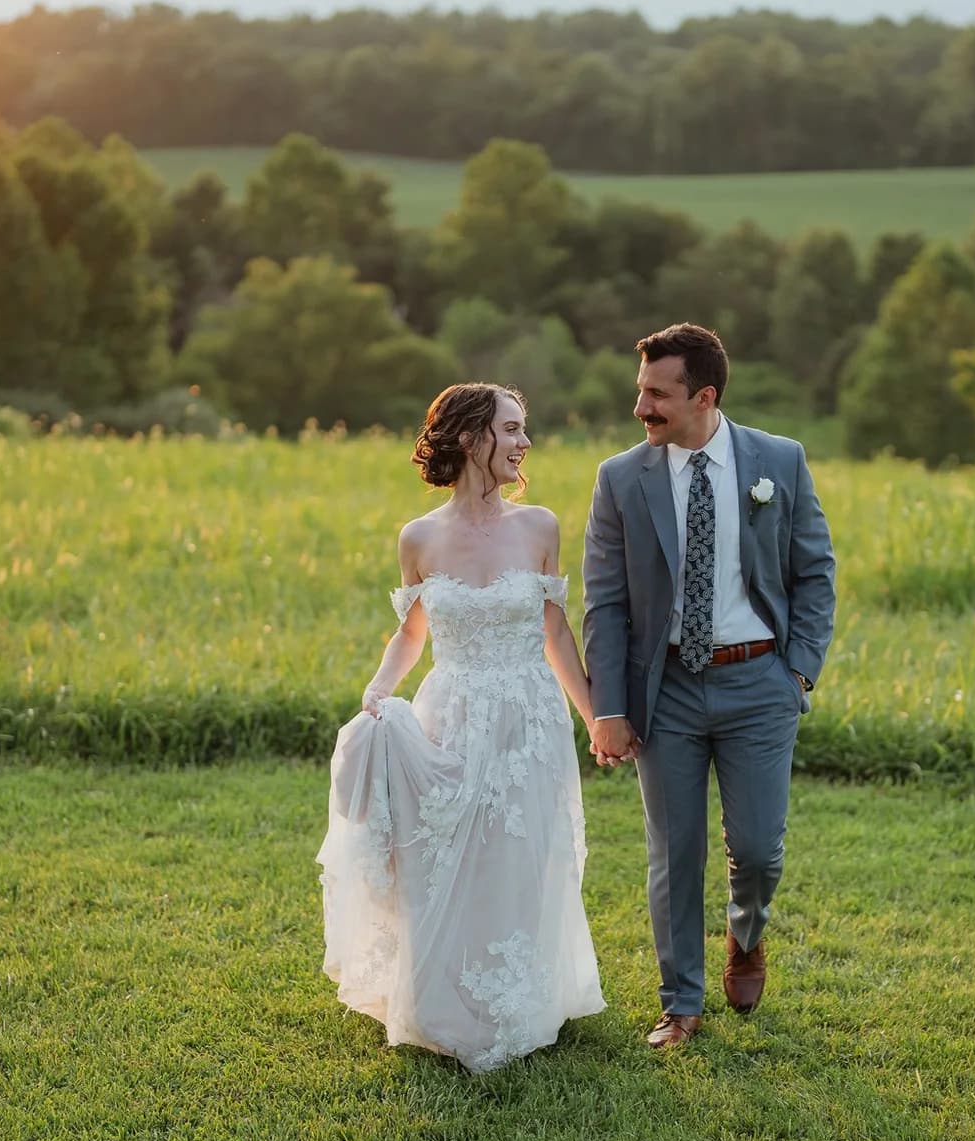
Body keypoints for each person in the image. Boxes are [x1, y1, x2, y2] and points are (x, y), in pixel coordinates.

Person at [317, 382, 606, 1073]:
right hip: (451, 709)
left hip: (527, 717)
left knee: (519, 855)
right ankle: (446, 1001)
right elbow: (412, 632)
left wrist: (596, 718)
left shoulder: (539, 526)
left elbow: (554, 630)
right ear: (473, 438)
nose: (523, 443)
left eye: (523, 429)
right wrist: (380, 688)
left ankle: (518, 1000)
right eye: (510, 429)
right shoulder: (417, 537)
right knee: (445, 858)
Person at [582, 324, 836, 1049]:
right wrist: (610, 707)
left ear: (704, 396)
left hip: (760, 680)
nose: (641, 408)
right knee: (675, 849)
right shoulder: (620, 478)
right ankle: (681, 1002)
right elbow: (605, 601)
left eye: (657, 394)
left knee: (758, 850)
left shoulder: (777, 462)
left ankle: (746, 933)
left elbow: (815, 571)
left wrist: (798, 669)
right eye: (640, 390)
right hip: (665, 689)